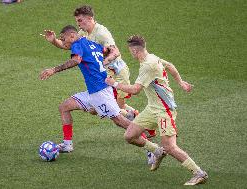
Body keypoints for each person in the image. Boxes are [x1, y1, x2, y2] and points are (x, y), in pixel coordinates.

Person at [40, 5, 156, 154]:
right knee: (67, 107)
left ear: (90, 18)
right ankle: (67, 144)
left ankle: (150, 145)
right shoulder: (82, 35)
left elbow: (114, 51)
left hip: (116, 74)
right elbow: (69, 44)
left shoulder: (101, 33)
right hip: (99, 82)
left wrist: (102, 63)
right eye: (77, 22)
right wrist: (54, 40)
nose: (78, 24)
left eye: (80, 20)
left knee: (119, 117)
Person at [105, 35, 208, 186]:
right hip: (152, 108)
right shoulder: (151, 57)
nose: (130, 53)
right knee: (130, 135)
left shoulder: (148, 65)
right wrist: (181, 83)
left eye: (130, 51)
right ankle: (157, 151)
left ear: (135, 50)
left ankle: (199, 173)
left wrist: (114, 84)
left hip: (164, 111)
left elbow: (135, 90)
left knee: (170, 146)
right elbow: (170, 65)